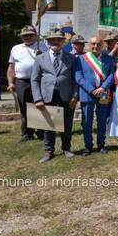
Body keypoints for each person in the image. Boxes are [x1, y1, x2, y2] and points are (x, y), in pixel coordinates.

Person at [30, 29, 78, 163]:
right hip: (47, 96)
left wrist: (75, 96)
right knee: (48, 124)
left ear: (63, 41)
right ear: (48, 42)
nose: (55, 42)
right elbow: (34, 80)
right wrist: (38, 99)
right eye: (52, 40)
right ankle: (48, 150)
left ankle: (67, 148)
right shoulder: (40, 58)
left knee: (67, 123)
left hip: (66, 95)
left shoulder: (71, 58)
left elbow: (75, 79)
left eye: (58, 39)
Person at [7, 25, 48, 142]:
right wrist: (11, 82)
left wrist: (42, 56)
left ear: (35, 35)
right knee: (24, 108)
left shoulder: (43, 47)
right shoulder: (16, 48)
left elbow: (50, 64)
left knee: (40, 106)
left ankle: (41, 132)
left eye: (31, 35)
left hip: (39, 80)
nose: (28, 37)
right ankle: (27, 133)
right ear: (21, 37)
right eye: (25, 35)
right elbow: (11, 67)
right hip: (22, 81)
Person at [75, 37, 115, 155]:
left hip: (103, 93)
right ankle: (88, 146)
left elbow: (112, 75)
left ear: (102, 45)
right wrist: (92, 90)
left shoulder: (108, 59)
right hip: (87, 94)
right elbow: (79, 77)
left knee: (102, 120)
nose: (95, 46)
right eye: (93, 44)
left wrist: (103, 88)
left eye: (98, 44)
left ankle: (101, 145)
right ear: (89, 45)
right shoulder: (81, 59)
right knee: (87, 121)